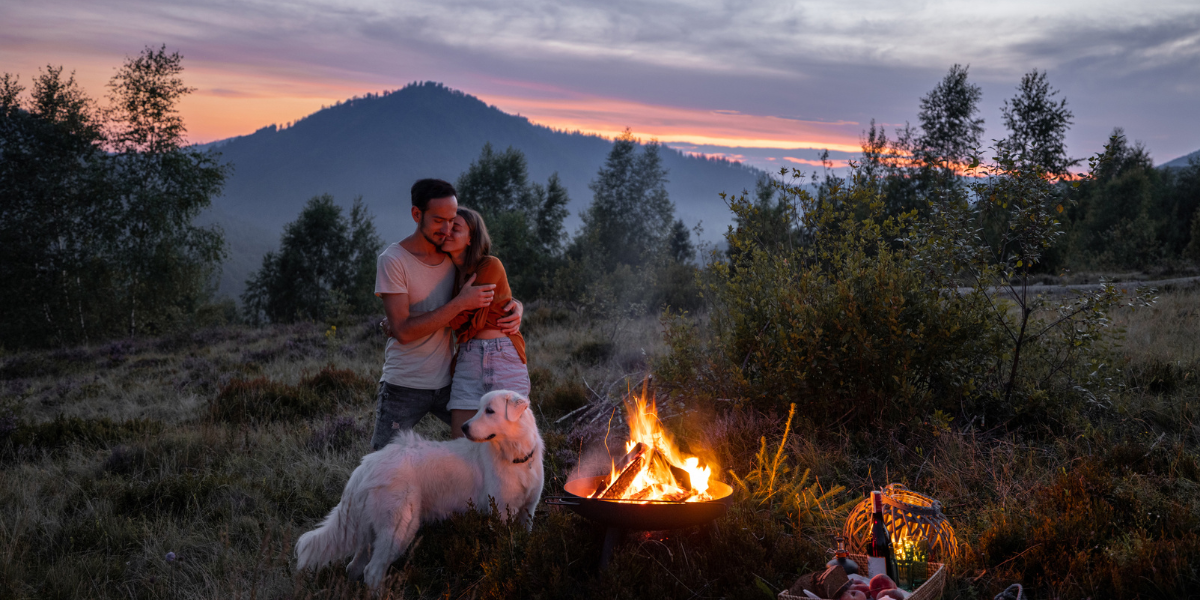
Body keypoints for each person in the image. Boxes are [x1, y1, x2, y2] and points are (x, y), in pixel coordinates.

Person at [372, 179, 522, 450]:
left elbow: (485, 292)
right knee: (383, 458)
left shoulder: (452, 260)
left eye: (453, 221)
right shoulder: (393, 260)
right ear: (417, 215)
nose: (447, 229)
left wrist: (515, 305)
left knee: (482, 448)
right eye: (439, 220)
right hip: (405, 384)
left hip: (450, 381)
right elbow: (405, 331)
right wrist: (461, 303)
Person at [439, 208, 531, 439]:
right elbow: (462, 319)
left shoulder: (490, 265)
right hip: (468, 359)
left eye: (455, 228)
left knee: (513, 441)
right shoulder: (448, 273)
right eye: (446, 226)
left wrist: (446, 313)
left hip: (503, 355)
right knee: (462, 441)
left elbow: (470, 319)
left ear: (471, 238)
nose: (447, 232)